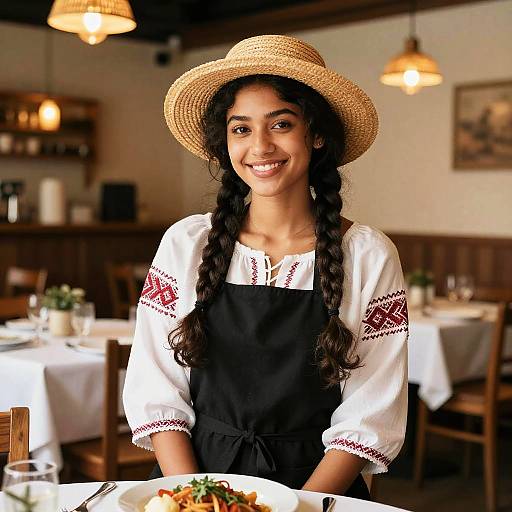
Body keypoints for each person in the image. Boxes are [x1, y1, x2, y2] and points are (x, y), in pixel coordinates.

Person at [123, 34, 408, 499]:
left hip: (318, 491)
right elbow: (157, 390)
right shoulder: (186, 244)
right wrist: (202, 499)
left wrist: (297, 507)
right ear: (225, 142)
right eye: (241, 128)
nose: (259, 146)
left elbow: (370, 412)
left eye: (280, 124)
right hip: (192, 484)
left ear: (316, 135)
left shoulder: (368, 255)